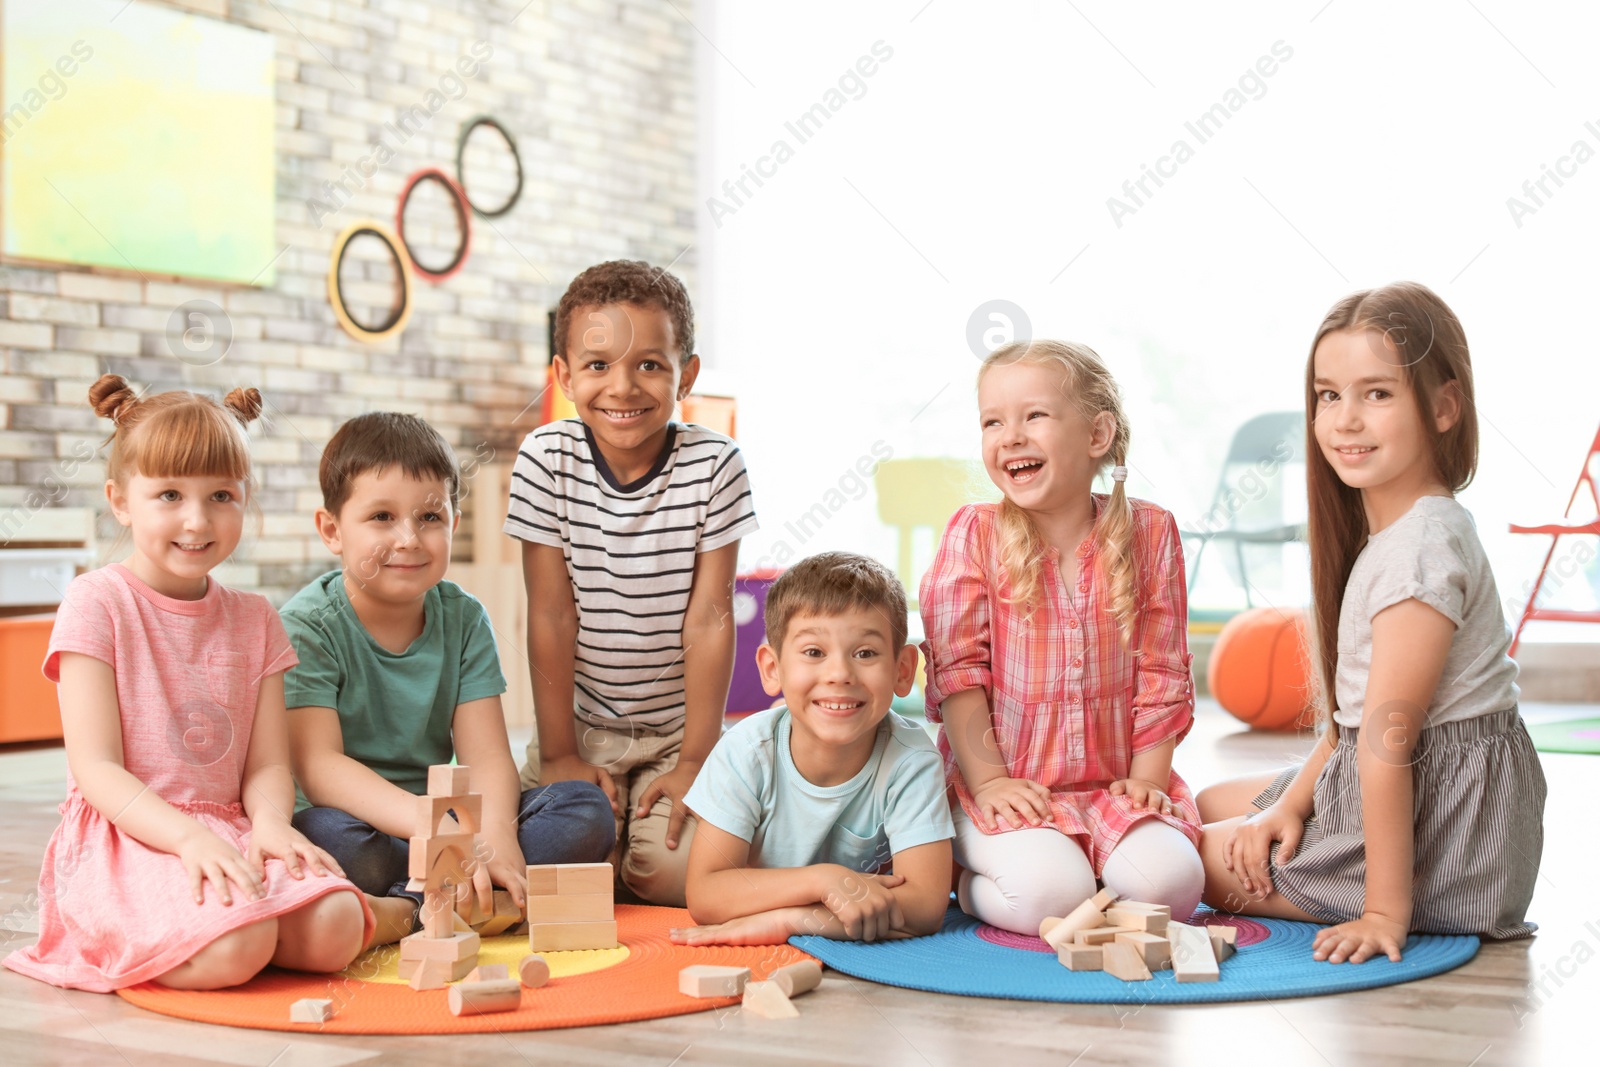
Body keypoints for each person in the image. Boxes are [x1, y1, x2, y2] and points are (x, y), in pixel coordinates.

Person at [1197, 282, 1547, 963]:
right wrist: (1289, 805)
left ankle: (1387, 893)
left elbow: (1387, 741)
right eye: (1329, 395)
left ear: (1444, 406)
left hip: (1448, 842)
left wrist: (1383, 912)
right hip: (1416, 792)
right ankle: (1299, 825)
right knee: (1215, 800)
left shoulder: (1418, 554)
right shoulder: (1396, 534)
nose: (1345, 420)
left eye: (1377, 393)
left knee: (1192, 857)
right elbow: (1351, 724)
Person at [4, 376, 371, 992]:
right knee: (239, 942)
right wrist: (187, 839)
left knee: (336, 925)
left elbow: (266, 766)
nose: (197, 520)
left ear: (244, 498)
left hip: (229, 827)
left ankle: (248, 926)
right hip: (129, 834)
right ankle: (223, 933)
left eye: (221, 495)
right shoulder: (97, 602)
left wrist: (273, 825)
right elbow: (97, 771)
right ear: (120, 500)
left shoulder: (256, 618)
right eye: (169, 494)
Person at [285, 412, 613, 945]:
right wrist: (443, 834)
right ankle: (453, 901)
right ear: (332, 531)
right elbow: (320, 767)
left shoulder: (463, 618)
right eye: (382, 517)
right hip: (368, 829)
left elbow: (485, 755)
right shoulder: (307, 626)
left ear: (453, 523)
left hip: (451, 825)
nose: (409, 538)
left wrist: (497, 837)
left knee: (584, 809)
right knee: (326, 837)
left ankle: (413, 906)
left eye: (431, 517)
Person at [920, 340, 1205, 936]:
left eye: (1035, 416)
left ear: (1098, 436)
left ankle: (1092, 862)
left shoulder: (1150, 534)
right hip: (1005, 783)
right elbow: (959, 676)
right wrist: (990, 781)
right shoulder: (976, 535)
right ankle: (970, 879)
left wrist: (1148, 784)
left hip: (1112, 786)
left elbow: (1163, 675)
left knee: (1171, 891)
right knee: (1050, 899)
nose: (1010, 436)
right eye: (992, 421)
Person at [505, 260, 757, 905]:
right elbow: (552, 615)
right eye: (596, 366)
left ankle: (630, 839)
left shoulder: (714, 465)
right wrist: (561, 753)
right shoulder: (545, 459)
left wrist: (696, 759)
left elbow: (709, 618)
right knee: (540, 866)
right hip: (582, 723)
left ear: (686, 375)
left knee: (673, 878)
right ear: (563, 375)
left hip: (679, 731)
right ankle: (603, 832)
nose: (623, 388)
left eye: (649, 364)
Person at [670, 552, 954, 945]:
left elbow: (924, 906)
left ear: (903, 670)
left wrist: (794, 920)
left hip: (775, 907)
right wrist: (826, 880)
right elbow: (705, 894)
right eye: (814, 653)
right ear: (772, 669)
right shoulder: (745, 751)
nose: (839, 674)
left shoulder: (912, 759)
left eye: (866, 653)